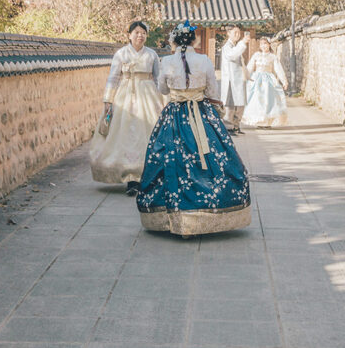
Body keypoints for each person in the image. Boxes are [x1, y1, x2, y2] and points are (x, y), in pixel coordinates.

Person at [137, 21, 251, 236]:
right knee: (211, 158)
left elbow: (162, 89)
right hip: (201, 114)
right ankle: (209, 210)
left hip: (174, 115)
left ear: (174, 40)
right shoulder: (204, 60)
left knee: (171, 158)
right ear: (193, 39)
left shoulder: (167, 60)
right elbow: (212, 91)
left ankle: (172, 214)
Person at [89, 21, 163, 196]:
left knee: (147, 135)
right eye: (137, 32)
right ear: (129, 35)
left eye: (143, 32)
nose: (140, 35)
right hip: (124, 96)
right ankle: (129, 177)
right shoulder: (121, 54)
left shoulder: (152, 55)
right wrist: (108, 100)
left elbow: (159, 79)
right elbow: (113, 78)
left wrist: (163, 100)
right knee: (125, 136)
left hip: (147, 96)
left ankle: (145, 176)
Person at [242, 37, 288, 127]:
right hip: (256, 79)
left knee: (268, 100)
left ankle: (267, 121)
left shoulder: (273, 57)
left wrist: (284, 81)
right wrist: (244, 77)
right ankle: (259, 120)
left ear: (269, 45)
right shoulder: (256, 55)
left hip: (269, 80)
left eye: (265, 43)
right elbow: (250, 67)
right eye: (262, 44)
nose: (263, 46)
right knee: (257, 100)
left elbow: (278, 69)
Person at [220, 26, 250, 135]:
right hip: (230, 80)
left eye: (239, 32)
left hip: (238, 80)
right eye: (235, 32)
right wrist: (243, 43)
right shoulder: (227, 47)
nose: (238, 34)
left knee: (240, 104)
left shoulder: (236, 46)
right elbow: (232, 55)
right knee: (230, 105)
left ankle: (236, 125)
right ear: (228, 33)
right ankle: (229, 127)